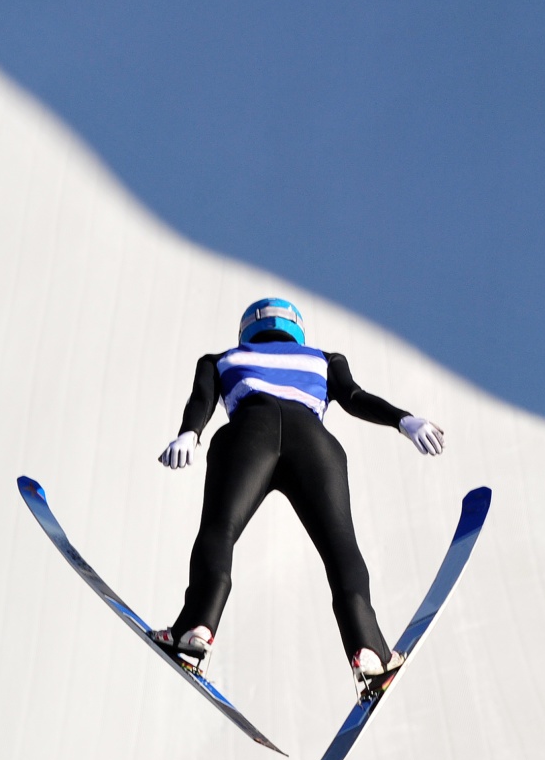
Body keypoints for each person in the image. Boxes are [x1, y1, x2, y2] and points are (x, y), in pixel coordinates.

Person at [150, 298, 446, 699]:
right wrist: (404, 420)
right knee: (341, 546)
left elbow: (201, 401)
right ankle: (369, 650)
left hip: (246, 435)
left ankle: (195, 628)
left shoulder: (219, 359)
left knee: (221, 529)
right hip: (314, 442)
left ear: (246, 330)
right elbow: (355, 397)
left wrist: (190, 433)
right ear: (297, 329)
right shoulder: (324, 359)